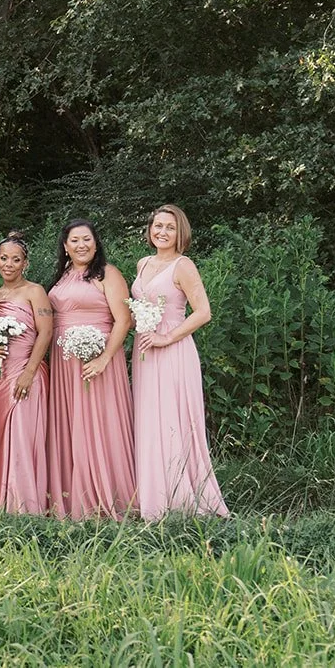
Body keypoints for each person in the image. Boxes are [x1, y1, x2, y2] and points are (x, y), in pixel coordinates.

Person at [132, 204, 229, 520]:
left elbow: (203, 312)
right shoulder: (143, 263)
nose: (162, 232)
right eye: (157, 225)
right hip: (143, 352)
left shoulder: (183, 265)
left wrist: (166, 337)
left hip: (172, 351)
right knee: (148, 420)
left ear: (180, 233)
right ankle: (152, 495)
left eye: (169, 227)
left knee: (173, 420)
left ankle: (181, 496)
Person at [47, 218, 137, 520]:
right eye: (74, 240)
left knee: (99, 422)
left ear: (96, 243)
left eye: (86, 239)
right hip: (63, 364)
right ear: (65, 246)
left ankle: (107, 494)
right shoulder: (62, 277)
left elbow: (124, 320)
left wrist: (103, 359)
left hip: (99, 360)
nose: (81, 245)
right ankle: (71, 497)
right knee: (70, 422)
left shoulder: (108, 274)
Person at [0, 231, 53, 515]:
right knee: (1, 437)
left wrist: (29, 372)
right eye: (3, 258)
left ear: (25, 263)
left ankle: (25, 506)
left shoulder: (35, 292)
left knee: (23, 435)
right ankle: (1, 501)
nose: (8, 264)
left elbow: (45, 332)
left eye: (16, 259)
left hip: (27, 372)